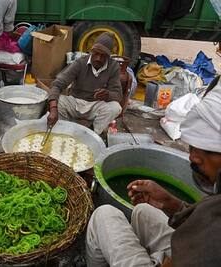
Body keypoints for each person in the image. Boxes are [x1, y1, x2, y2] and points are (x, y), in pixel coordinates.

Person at [85, 80, 221, 267]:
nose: (193, 157)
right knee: (143, 211)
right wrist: (171, 204)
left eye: (209, 149)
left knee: (103, 215)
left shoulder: (211, 241)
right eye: (194, 146)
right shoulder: (214, 205)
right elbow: (201, 222)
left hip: (181, 258)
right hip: (181, 249)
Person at [47, 32, 122, 135]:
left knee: (115, 107)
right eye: (96, 53)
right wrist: (53, 109)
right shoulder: (80, 63)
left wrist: (108, 94)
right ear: (91, 51)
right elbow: (57, 84)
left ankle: (93, 134)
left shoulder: (114, 67)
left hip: (96, 104)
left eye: (103, 56)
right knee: (57, 101)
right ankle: (67, 130)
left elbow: (118, 95)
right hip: (76, 102)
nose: (98, 58)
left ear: (109, 56)